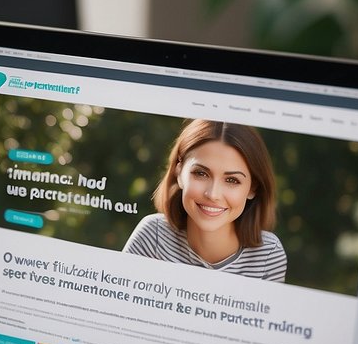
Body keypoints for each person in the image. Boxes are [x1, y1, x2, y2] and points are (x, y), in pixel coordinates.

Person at [123, 119, 286, 280]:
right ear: (179, 172)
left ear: (252, 188)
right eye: (201, 173)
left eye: (232, 180)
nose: (213, 194)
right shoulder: (153, 236)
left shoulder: (268, 255)